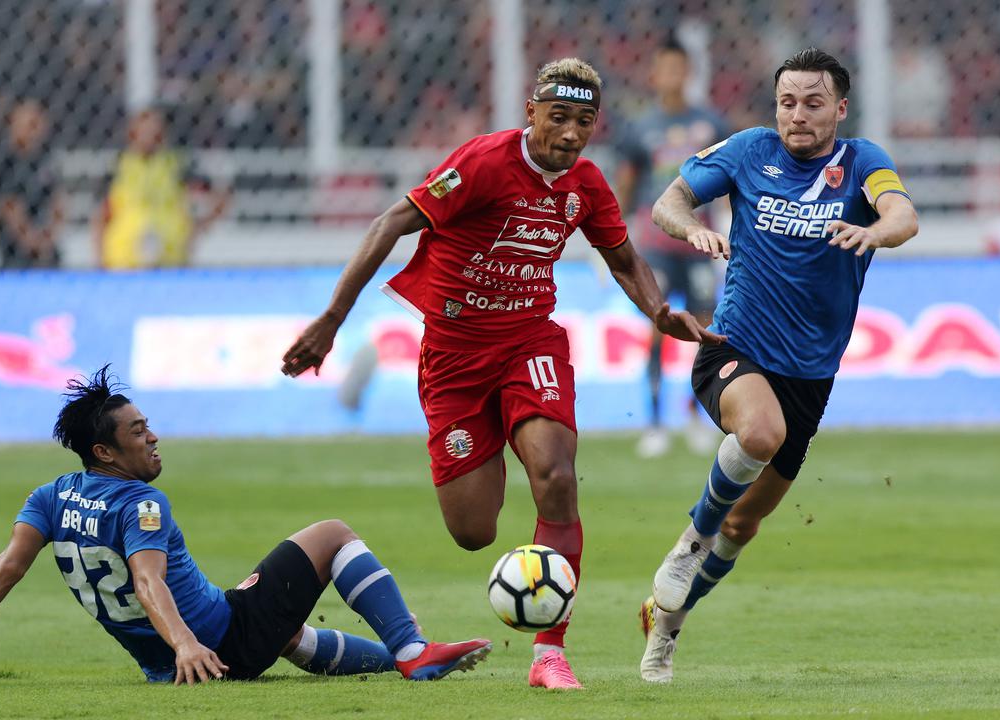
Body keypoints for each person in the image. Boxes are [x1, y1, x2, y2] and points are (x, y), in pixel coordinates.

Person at [282, 58, 724, 690]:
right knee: (473, 531)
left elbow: (623, 255)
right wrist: (330, 320)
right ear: (532, 113)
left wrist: (657, 312)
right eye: (560, 118)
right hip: (455, 361)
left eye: (585, 122)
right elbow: (391, 223)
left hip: (529, 343)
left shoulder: (586, 184)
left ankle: (550, 652)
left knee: (557, 476)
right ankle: (496, 448)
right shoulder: (484, 164)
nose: (571, 134)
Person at [0, 365, 491, 684]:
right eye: (136, 431)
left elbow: (6, 569)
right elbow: (148, 581)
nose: (152, 437)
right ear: (104, 452)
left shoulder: (50, 497)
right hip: (216, 640)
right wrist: (187, 643)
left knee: (282, 630)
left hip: (166, 663)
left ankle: (405, 661)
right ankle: (412, 650)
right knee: (332, 532)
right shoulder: (142, 505)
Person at [638, 48, 919, 683]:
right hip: (733, 347)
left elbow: (902, 213)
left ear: (840, 109)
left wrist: (875, 233)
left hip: (810, 377)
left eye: (813, 103)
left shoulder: (862, 163)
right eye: (787, 102)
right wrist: (693, 231)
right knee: (760, 434)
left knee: (743, 525)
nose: (797, 115)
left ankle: (665, 627)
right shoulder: (748, 151)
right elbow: (668, 203)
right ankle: (687, 545)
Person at [613, 37, 730, 458]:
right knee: (656, 326)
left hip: (701, 240)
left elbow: (730, 180)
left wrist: (732, 227)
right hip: (656, 243)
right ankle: (655, 422)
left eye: (679, 68)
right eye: (666, 68)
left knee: (706, 329)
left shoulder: (711, 124)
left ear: (689, 72)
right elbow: (627, 183)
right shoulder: (640, 128)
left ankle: (697, 415)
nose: (673, 77)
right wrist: (614, 235)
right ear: (655, 75)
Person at [93, 108, 230, 270]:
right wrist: (99, 256)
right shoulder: (118, 166)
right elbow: (101, 215)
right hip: (124, 260)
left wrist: (198, 230)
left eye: (153, 130)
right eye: (143, 130)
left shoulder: (176, 165)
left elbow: (220, 197)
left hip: (170, 256)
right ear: (132, 132)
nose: (148, 135)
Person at [0, 99, 65, 270]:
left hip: (47, 246)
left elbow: (58, 203)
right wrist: (33, 242)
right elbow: (10, 209)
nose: (35, 130)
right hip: (15, 251)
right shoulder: (5, 163)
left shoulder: (47, 160)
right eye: (30, 124)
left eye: (37, 123)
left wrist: (48, 238)